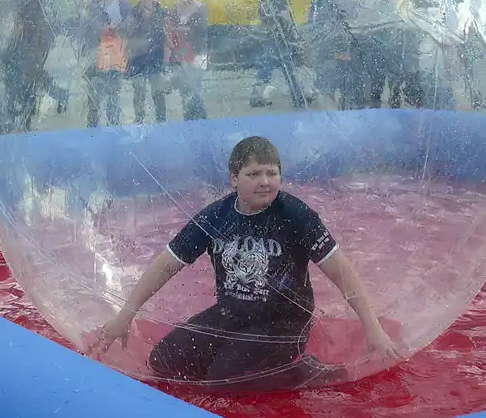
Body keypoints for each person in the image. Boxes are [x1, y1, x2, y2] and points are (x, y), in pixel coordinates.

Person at [88, 136, 400, 386]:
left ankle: (307, 370)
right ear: (234, 178)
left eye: (272, 173)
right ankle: (236, 355)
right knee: (164, 362)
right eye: (254, 174)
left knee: (221, 380)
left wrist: (372, 328)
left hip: (283, 324)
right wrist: (125, 315)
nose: (265, 181)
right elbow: (166, 264)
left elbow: (342, 272)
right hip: (231, 314)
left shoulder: (296, 216)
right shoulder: (217, 216)